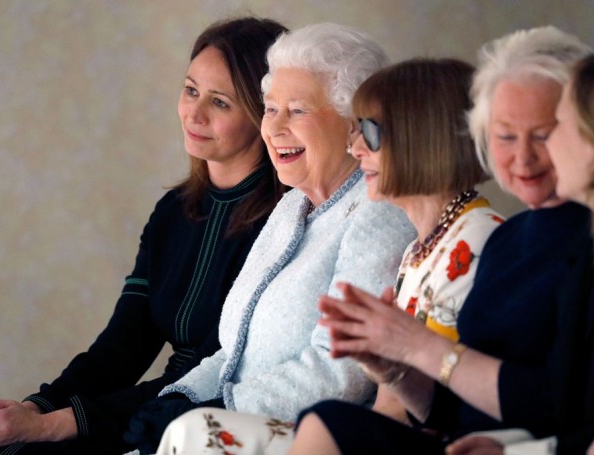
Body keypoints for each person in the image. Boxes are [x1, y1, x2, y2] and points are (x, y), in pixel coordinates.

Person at [0, 16, 289, 455]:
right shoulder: (172, 213)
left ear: (262, 113)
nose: (194, 112)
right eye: (190, 90)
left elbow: (213, 372)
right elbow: (122, 345)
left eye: (220, 103)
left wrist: (56, 424)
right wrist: (31, 410)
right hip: (146, 409)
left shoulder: (283, 222)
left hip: (203, 419)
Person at [151, 56, 504, 455]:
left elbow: (476, 404)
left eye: (368, 133)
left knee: (197, 433)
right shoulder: (422, 247)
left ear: (423, 137)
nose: (355, 148)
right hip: (376, 430)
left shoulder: (479, 240)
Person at [288, 26, 593, 454]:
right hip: (473, 440)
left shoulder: (517, 236)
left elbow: (564, 401)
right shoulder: (509, 240)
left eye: (542, 135)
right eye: (505, 136)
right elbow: (455, 409)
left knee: (324, 423)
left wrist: (417, 349)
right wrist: (395, 369)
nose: (522, 156)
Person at [122, 23, 415, 454]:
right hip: (229, 426)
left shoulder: (381, 212)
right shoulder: (292, 205)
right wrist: (178, 397)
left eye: (297, 111)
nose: (274, 127)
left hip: (316, 436)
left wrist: (221, 407)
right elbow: (233, 350)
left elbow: (343, 370)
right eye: (270, 108)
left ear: (355, 123)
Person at [450, 49, 594, 455]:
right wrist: (514, 449)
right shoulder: (593, 244)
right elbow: (591, 417)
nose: (535, 151)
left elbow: (591, 417)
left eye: (552, 129)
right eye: (506, 135)